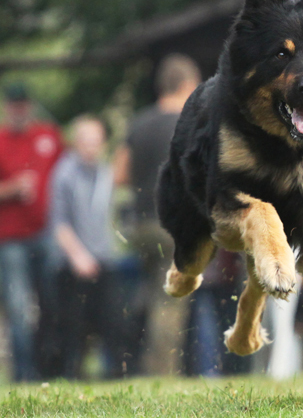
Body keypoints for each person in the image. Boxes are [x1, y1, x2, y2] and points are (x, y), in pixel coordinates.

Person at [113, 53, 201, 375]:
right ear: (187, 85)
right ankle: (162, 373)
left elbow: (119, 175)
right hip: (172, 227)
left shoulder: (139, 122)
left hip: (140, 226)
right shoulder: (187, 124)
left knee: (149, 295)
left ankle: (132, 362)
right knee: (171, 305)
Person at [0, 84, 64, 381]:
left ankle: (51, 366)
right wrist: (10, 188)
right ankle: (24, 374)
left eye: (23, 105)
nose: (19, 111)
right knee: (19, 307)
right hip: (10, 238)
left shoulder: (48, 136)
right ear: (6, 108)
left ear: (30, 106)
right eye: (14, 105)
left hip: (47, 233)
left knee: (52, 302)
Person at [50, 116, 128, 378]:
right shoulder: (64, 173)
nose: (92, 148)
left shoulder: (105, 173)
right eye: (87, 142)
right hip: (72, 263)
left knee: (113, 323)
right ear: (75, 143)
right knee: (73, 328)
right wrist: (78, 256)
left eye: (97, 142)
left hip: (104, 258)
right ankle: (70, 376)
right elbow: (59, 223)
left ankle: (115, 376)